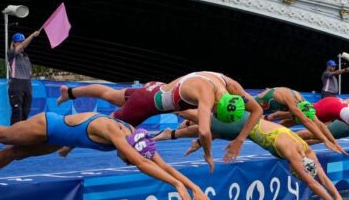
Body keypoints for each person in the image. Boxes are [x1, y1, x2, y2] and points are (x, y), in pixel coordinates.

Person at [0, 112, 216, 200]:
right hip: (49, 124)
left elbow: (161, 164)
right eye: (126, 160)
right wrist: (175, 186)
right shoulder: (118, 135)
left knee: (17, 153)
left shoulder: (137, 136)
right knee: (4, 136)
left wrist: (193, 187)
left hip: (62, 137)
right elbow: (141, 164)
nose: (124, 162)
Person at [163, 111, 349, 200]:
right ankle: (166, 104)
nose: (295, 173)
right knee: (199, 119)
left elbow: (322, 178)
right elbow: (312, 183)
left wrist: (337, 197)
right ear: (297, 167)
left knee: (208, 129)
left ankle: (173, 132)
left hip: (245, 123)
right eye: (296, 172)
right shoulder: (291, 151)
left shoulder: (307, 152)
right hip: (241, 124)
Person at [56, 71, 262, 171]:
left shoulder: (230, 85)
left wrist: (240, 140)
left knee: (112, 95)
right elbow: (205, 132)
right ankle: (68, 143)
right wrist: (208, 155)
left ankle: (69, 92)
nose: (213, 114)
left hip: (154, 88)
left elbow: (257, 110)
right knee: (109, 129)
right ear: (218, 106)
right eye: (215, 114)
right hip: (146, 104)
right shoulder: (207, 96)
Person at [7, 31, 41, 124]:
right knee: (17, 111)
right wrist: (32, 35)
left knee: (25, 112)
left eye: (23, 41)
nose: (22, 43)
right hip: (16, 84)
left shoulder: (26, 56)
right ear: (14, 43)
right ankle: (13, 135)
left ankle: (22, 135)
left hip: (27, 84)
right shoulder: (11, 53)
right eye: (19, 41)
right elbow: (21, 47)